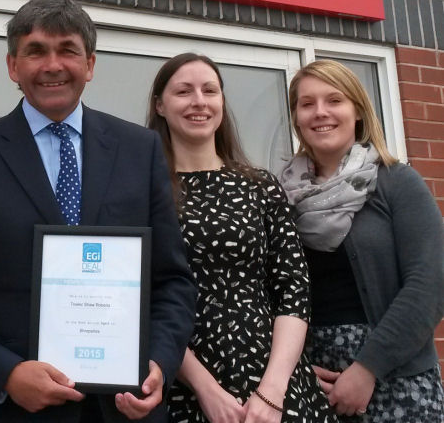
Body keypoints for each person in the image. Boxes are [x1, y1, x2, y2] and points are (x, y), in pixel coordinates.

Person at [0, 0, 197, 423]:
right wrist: (6, 373)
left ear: (90, 64)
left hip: (126, 408)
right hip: (19, 412)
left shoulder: (139, 150)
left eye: (67, 50)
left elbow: (172, 281)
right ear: (13, 66)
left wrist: (159, 364)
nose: (52, 65)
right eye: (36, 51)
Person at [147, 53, 337, 423]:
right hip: (185, 384)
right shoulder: (144, 191)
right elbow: (143, 301)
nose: (199, 101)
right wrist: (205, 389)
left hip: (275, 381)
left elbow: (293, 289)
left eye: (209, 91)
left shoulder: (260, 185)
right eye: (183, 92)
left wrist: (273, 390)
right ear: (160, 105)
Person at [279, 59, 444, 422]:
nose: (320, 112)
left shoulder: (398, 182)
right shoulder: (281, 198)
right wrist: (294, 368)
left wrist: (368, 368)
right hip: (311, 384)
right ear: (296, 118)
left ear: (357, 110)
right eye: (307, 104)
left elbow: (429, 284)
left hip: (397, 378)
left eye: (334, 100)